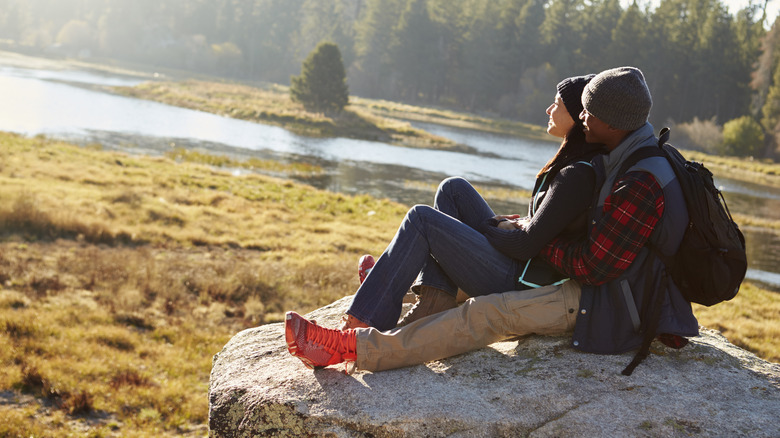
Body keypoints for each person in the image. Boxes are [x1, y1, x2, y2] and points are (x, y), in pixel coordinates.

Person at [286, 67, 699, 374]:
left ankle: (354, 336)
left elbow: (595, 267)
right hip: (557, 272)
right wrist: (524, 227)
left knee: (471, 298)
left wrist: (524, 235)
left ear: (611, 122)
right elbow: (573, 230)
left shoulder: (635, 178)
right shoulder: (625, 153)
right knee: (454, 190)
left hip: (599, 300)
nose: (582, 116)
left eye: (586, 111)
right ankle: (423, 293)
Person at [337, 74, 603, 333]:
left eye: (556, 104)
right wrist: (509, 224)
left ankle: (365, 321)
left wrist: (491, 226)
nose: (548, 109)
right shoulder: (575, 163)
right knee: (453, 189)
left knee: (421, 219)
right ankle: (433, 299)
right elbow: (545, 228)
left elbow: (524, 246)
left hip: (520, 281)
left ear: (577, 115)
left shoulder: (575, 175)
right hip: (523, 267)